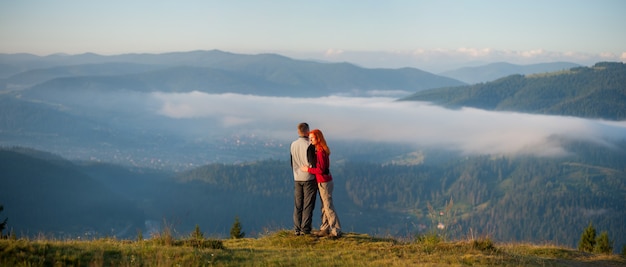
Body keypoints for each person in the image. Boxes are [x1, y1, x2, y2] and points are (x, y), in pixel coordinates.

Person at [301, 129, 342, 238]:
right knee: (325, 206)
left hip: (324, 181)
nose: (311, 140)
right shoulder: (321, 150)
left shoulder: (320, 152)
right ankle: (325, 228)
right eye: (310, 138)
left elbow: (320, 169)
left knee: (328, 206)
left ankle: (336, 230)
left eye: (312, 138)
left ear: (318, 138)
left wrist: (307, 170)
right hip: (324, 181)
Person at [290, 122, 317, 236]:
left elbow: (292, 162)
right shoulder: (309, 145)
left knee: (298, 204)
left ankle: (296, 229)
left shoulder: (293, 144)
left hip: (297, 177)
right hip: (308, 177)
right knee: (308, 204)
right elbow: (313, 162)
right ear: (307, 131)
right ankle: (305, 229)